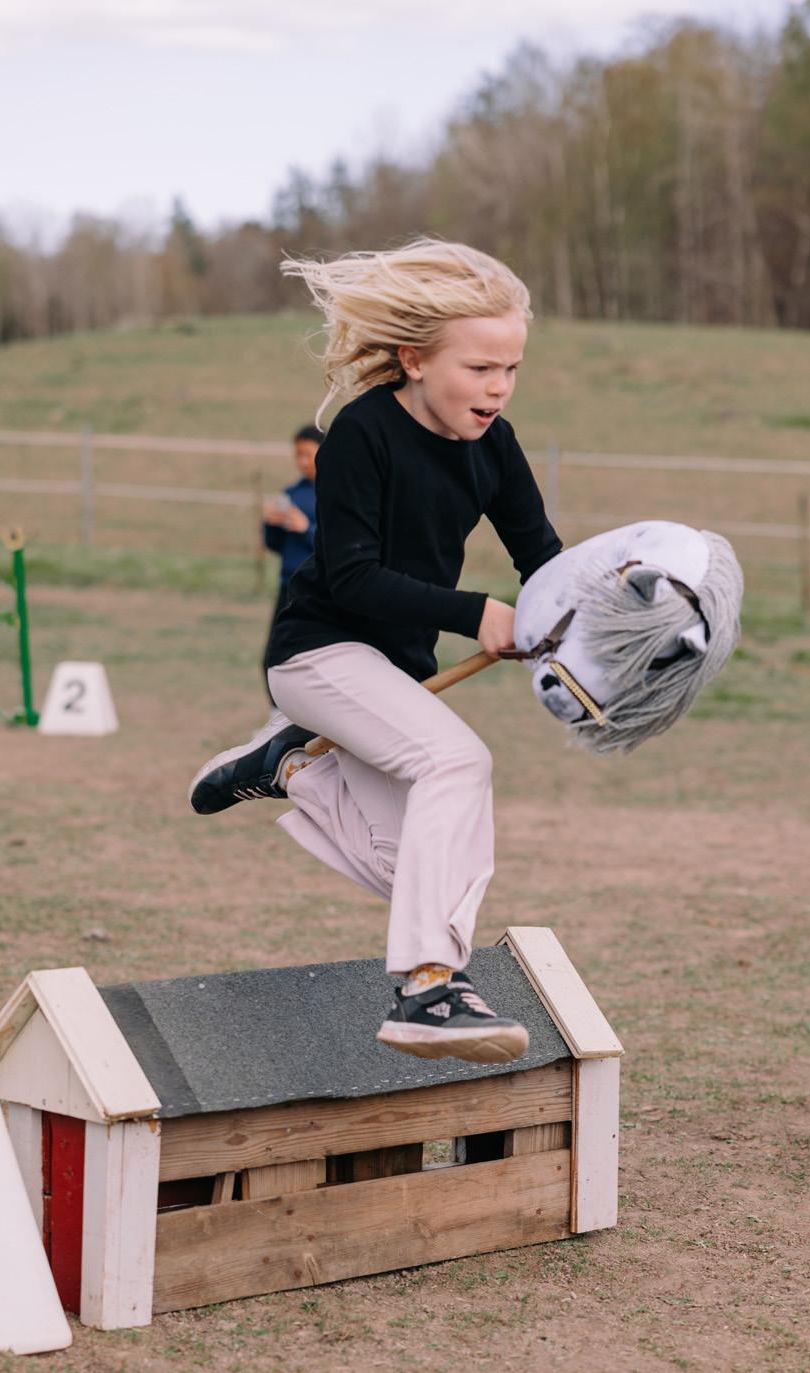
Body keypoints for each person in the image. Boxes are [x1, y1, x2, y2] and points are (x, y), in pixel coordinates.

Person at [188, 239, 561, 1066]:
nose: (498, 387)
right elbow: (353, 578)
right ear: (415, 359)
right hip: (319, 654)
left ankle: (292, 767)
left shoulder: (495, 445)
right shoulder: (361, 433)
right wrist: (477, 612)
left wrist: (600, 613)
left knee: (429, 868)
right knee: (458, 763)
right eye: (479, 368)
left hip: (396, 677)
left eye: (511, 369)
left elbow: (543, 557)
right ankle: (428, 990)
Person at [261, 426, 321, 693]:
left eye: (308, 454)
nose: (302, 461)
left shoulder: (336, 492)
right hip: (288, 586)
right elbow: (275, 545)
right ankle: (276, 712)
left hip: (317, 590)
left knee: (309, 657)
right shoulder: (292, 492)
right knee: (274, 656)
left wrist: (305, 527)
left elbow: (340, 545)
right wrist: (270, 524)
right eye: (298, 455)